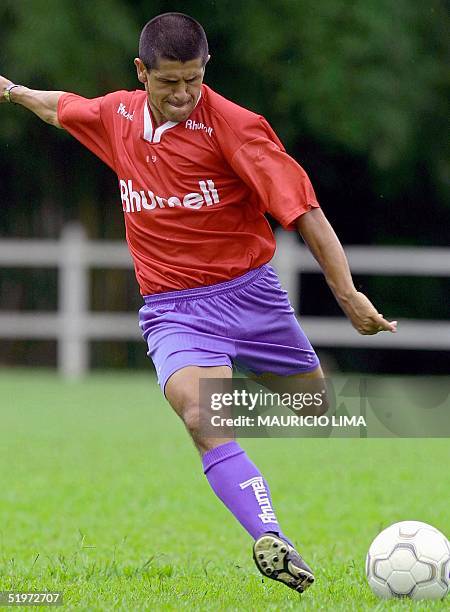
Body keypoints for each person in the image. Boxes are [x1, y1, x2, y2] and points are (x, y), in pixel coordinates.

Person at [0, 12, 397, 595]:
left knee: (319, 410)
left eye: (194, 79)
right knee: (200, 413)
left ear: (205, 68)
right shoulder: (118, 116)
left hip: (252, 296)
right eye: (169, 83)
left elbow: (304, 209)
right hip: (175, 308)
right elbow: (63, 107)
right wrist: (11, 91)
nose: (184, 94)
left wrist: (349, 295)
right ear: (142, 73)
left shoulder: (237, 128)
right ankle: (272, 538)